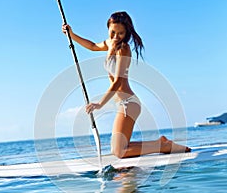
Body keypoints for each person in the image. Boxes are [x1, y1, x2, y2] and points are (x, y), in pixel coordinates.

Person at [62, 11, 191, 158]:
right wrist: (71, 34)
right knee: (119, 148)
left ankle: (163, 145)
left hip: (128, 103)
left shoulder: (123, 49)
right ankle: (161, 143)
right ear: (108, 28)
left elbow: (118, 81)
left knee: (119, 151)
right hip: (123, 103)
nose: (116, 37)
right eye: (113, 32)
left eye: (121, 33)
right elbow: (92, 46)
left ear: (127, 33)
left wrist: (100, 104)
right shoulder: (110, 44)